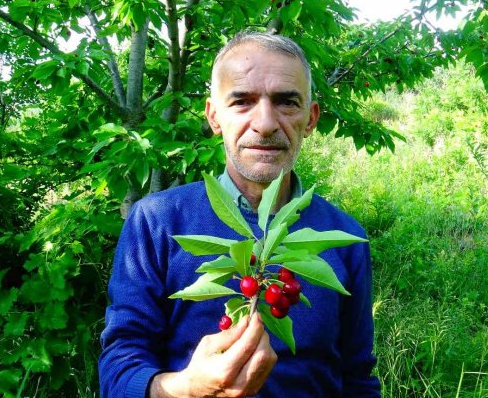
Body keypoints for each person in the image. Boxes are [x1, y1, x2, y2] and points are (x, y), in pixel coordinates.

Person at [99, 31, 381, 397]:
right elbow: (119, 368)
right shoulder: (156, 222)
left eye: (287, 103)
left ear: (310, 119)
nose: (265, 123)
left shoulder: (344, 236)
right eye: (242, 102)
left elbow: (357, 377)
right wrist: (184, 389)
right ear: (214, 116)